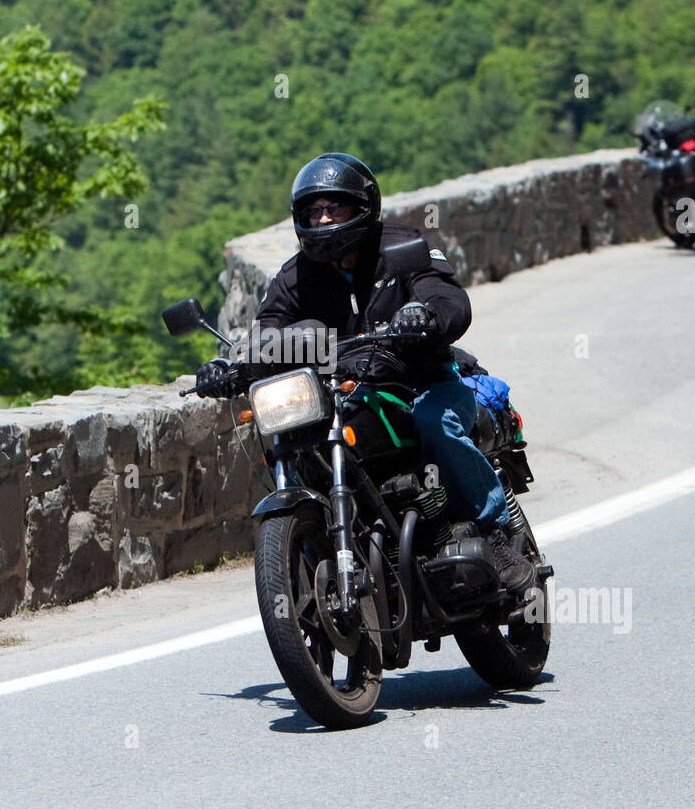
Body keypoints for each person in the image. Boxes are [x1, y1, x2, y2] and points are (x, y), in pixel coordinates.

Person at [194, 152, 535, 598]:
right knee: (303, 442)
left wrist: (424, 314)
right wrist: (232, 365)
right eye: (313, 211)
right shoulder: (296, 276)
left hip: (422, 383)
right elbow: (268, 329)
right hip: (348, 392)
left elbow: (448, 297)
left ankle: (494, 534)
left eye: (334, 207)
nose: (323, 218)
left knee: (436, 422)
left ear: (363, 208)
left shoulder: (402, 246)